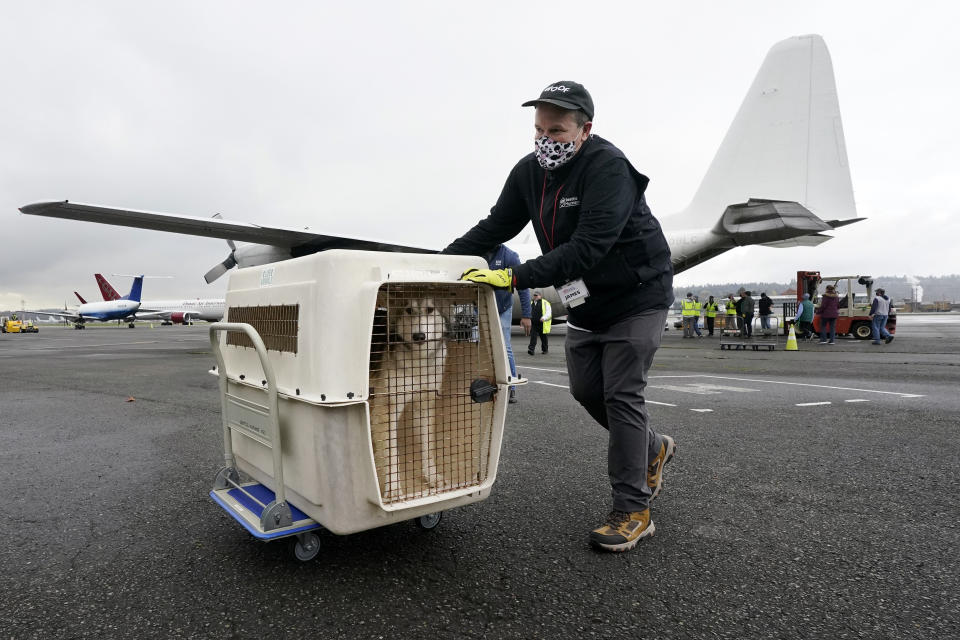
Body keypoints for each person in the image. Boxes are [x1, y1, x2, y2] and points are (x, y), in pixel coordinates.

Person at [444, 80, 676, 552]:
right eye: (539, 129)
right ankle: (653, 447)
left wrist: (512, 277)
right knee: (586, 391)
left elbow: (589, 247)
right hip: (587, 302)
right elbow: (494, 227)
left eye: (557, 129)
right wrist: (440, 261)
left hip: (637, 295)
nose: (546, 139)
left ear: (584, 129)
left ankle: (633, 509)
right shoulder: (529, 173)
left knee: (620, 395)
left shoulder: (608, 168)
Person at [486, 244, 532, 402]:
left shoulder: (509, 256)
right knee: (481, 346)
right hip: (483, 306)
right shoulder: (478, 253)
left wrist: (526, 315)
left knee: (505, 347)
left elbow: (522, 286)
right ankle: (485, 385)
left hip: (503, 307)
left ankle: (511, 387)